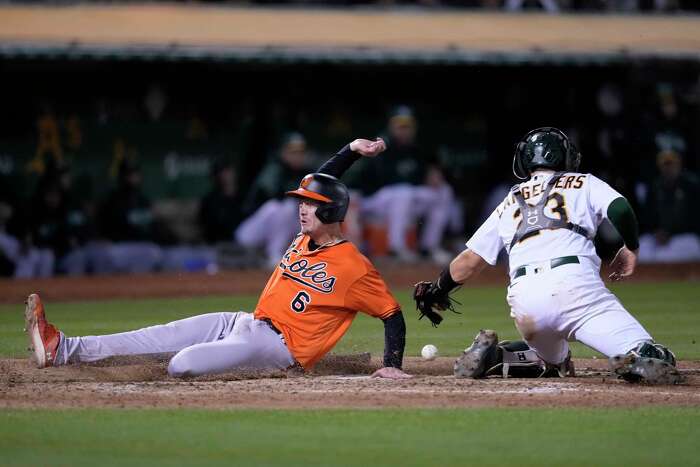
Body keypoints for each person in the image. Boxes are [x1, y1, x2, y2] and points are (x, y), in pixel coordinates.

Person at [24, 138, 410, 379]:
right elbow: (320, 182)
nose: (303, 209)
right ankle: (63, 348)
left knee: (181, 364)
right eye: (303, 203)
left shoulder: (354, 266)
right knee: (158, 334)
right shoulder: (305, 239)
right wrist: (350, 153)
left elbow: (392, 313)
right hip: (244, 322)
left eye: (312, 206)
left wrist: (392, 363)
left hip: (276, 351)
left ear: (331, 213)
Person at [413, 127, 681, 384]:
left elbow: (470, 261)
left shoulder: (511, 198)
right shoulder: (583, 182)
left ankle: (499, 355)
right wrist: (631, 246)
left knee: (552, 361)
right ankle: (635, 360)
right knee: (654, 355)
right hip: (576, 289)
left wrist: (438, 289)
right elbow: (621, 209)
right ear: (564, 156)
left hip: (526, 303)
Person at [359, 106, 454, 263]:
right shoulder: (380, 145)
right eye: (400, 126)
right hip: (373, 200)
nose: (404, 130)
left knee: (444, 191)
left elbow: (423, 177)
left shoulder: (417, 149)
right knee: (403, 191)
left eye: (407, 126)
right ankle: (396, 248)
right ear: (391, 126)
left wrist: (431, 176)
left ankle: (429, 247)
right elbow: (378, 179)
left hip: (404, 201)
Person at [235, 132, 312, 267]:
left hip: (286, 229)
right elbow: (272, 195)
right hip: (255, 229)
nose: (297, 156)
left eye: (300, 152)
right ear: (283, 152)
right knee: (281, 206)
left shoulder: (307, 173)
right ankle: (274, 254)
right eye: (293, 152)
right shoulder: (274, 169)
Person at [638, 149, 700, 263]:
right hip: (658, 237)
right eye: (665, 165)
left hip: (684, 237)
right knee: (640, 251)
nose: (669, 168)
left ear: (679, 165)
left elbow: (695, 220)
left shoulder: (691, 188)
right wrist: (656, 231)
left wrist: (670, 233)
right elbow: (646, 217)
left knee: (664, 257)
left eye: (672, 164)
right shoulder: (654, 188)